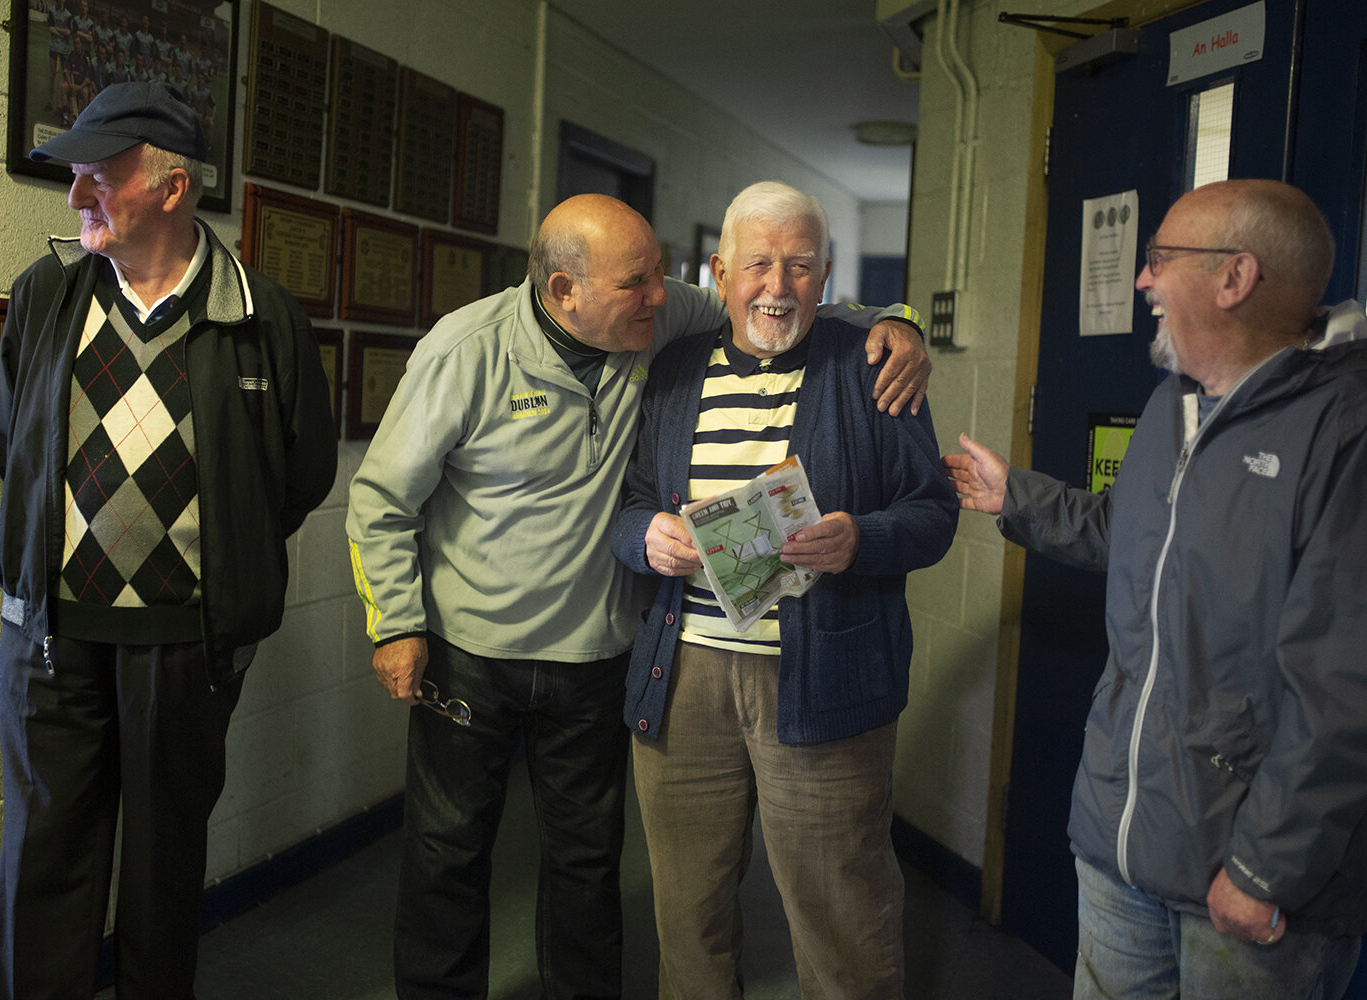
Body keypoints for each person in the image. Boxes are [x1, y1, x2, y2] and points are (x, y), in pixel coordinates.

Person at [345, 191, 932, 1000]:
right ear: (565, 293)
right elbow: (382, 500)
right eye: (637, 283)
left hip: (602, 653)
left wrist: (900, 320)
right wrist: (396, 624)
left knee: (593, 869)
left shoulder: (680, 331)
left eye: (661, 275)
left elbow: (789, 298)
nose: (661, 296)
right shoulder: (478, 352)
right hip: (476, 653)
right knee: (451, 858)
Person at [944, 179, 1367, 999]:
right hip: (1121, 843)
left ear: (1234, 278)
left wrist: (1262, 868)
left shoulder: (1344, 431)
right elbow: (1134, 535)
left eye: (1160, 259)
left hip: (1246, 878)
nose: (1143, 281)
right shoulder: (1174, 402)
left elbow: (1345, 691)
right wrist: (1017, 498)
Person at [0, 81, 337, 999]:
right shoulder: (47, 293)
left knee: (161, 874)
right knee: (42, 868)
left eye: (99, 178)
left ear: (171, 189)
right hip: (51, 640)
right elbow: (4, 440)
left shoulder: (265, 319)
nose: (74, 198)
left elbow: (296, 479)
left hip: (185, 647)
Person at [610, 181, 958, 999]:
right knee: (687, 917)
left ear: (827, 273)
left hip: (824, 684)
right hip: (683, 677)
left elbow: (935, 513)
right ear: (722, 271)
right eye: (759, 265)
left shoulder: (870, 365)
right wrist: (645, 538)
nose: (778, 287)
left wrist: (860, 540)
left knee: (844, 917)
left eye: (800, 266)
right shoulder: (673, 372)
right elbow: (629, 500)